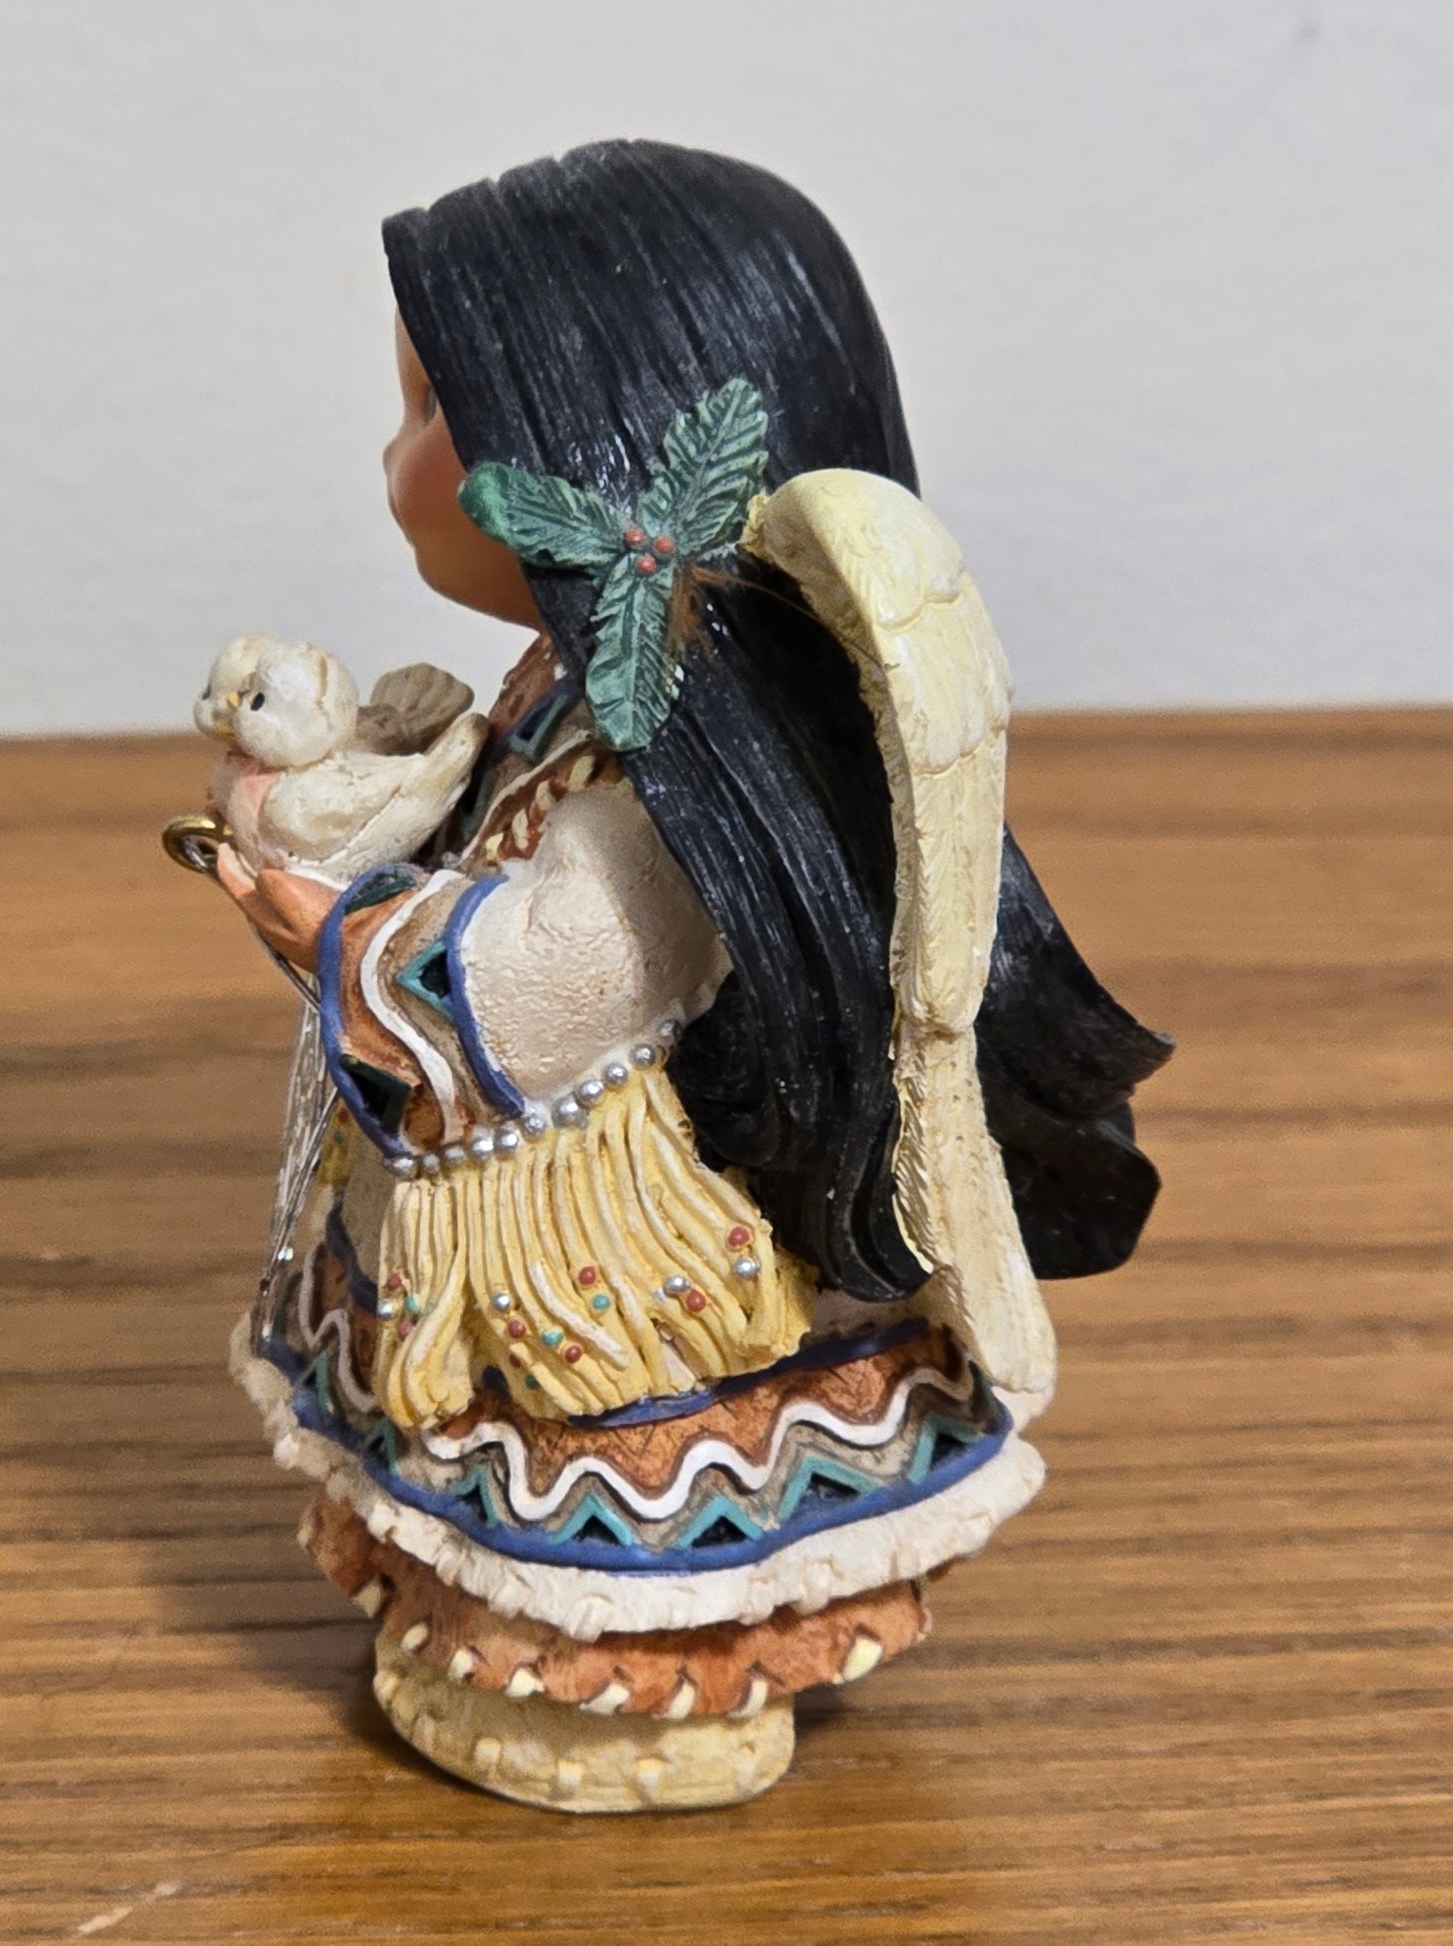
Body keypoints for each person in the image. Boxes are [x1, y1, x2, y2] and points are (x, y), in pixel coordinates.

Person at [197, 140, 1172, 1811]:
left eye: (431, 408)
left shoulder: (681, 777)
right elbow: (464, 821)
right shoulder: (573, 687)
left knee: (596, 1440)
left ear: (577, 450)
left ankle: (628, 1690)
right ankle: (526, 1648)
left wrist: (334, 941)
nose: (391, 455)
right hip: (495, 1174)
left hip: (590, 1214)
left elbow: (544, 977)